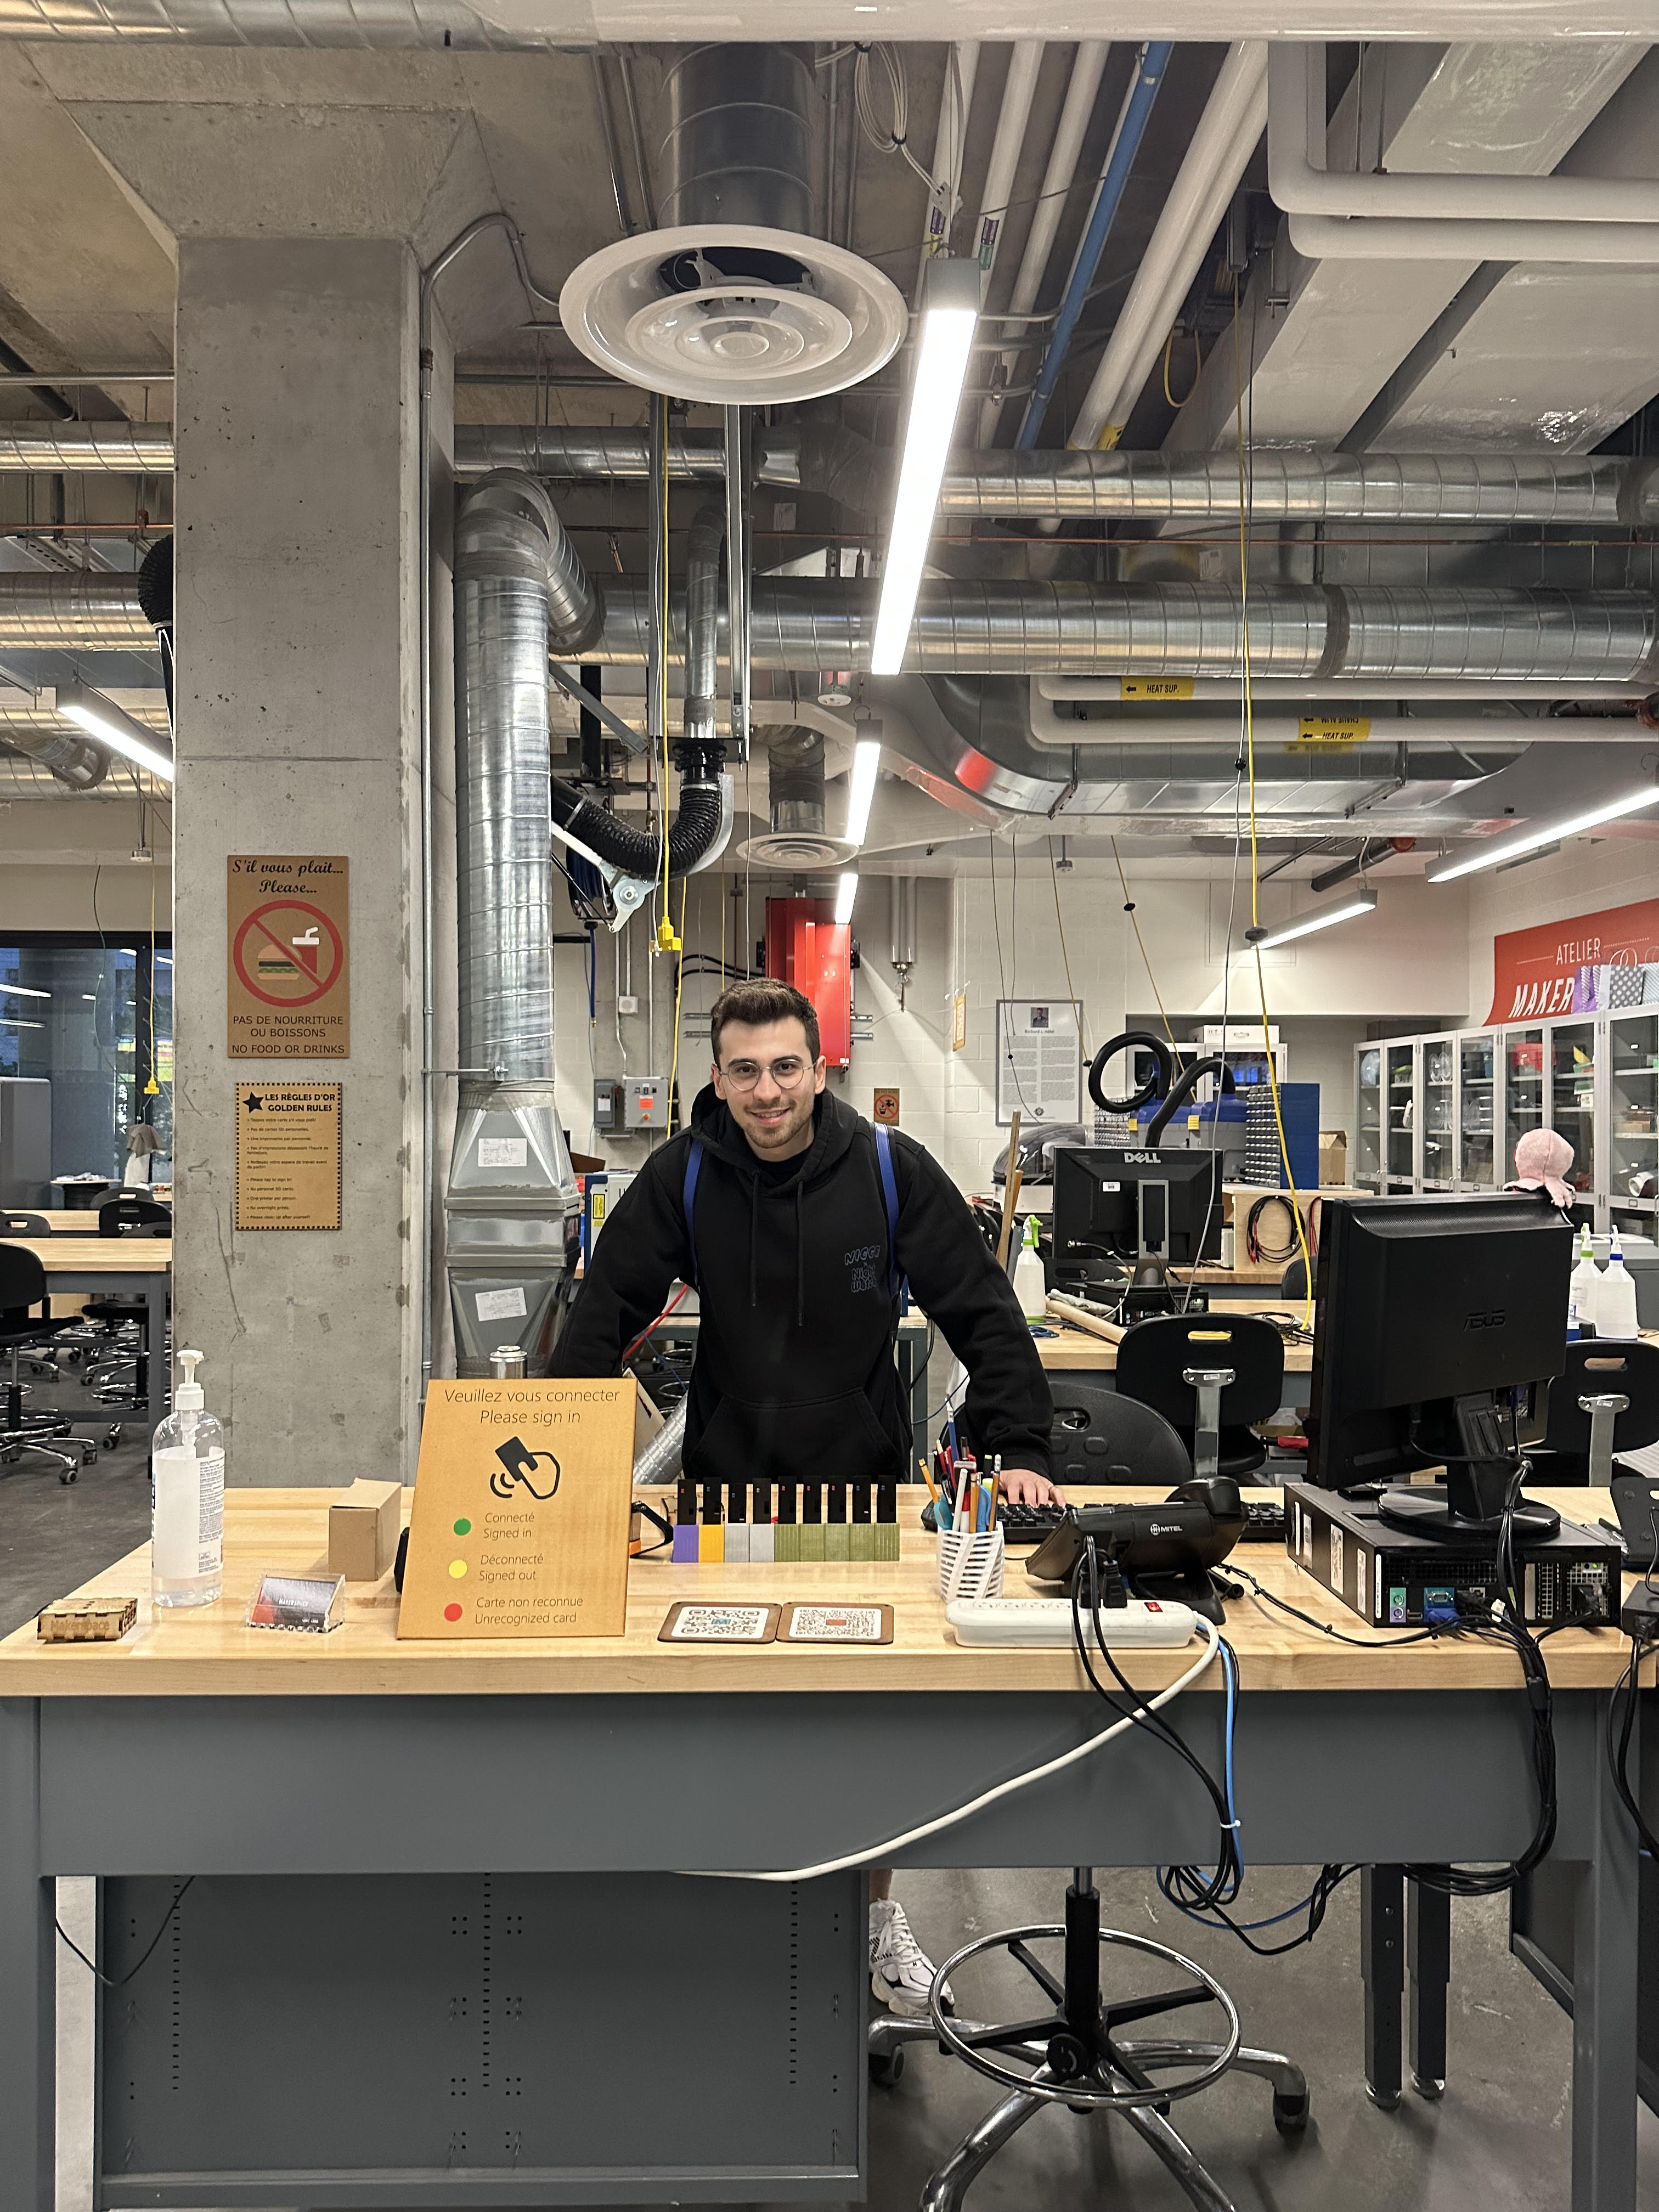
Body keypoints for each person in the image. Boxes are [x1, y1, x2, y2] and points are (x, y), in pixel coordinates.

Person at [552, 977, 1060, 2015]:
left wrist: (1017, 1443)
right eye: (745, 1070)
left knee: (860, 1728)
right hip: (726, 1494)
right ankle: (744, 1910)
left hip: (859, 1493)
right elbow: (603, 1308)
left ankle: (874, 1917)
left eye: (787, 1066)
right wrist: (559, 1465)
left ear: (821, 1069)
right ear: (718, 1078)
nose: (768, 1090)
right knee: (727, 1713)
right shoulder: (683, 1176)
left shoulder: (886, 1169)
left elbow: (980, 1303)